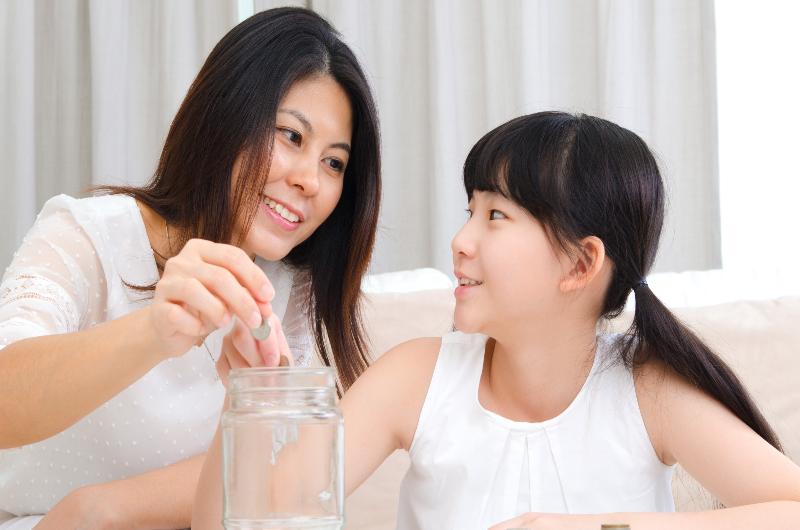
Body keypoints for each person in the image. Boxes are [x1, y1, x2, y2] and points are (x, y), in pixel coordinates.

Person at [194, 111, 800, 529]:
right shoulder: (417, 378)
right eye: (469, 210)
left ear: (581, 263)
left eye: (496, 217)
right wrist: (242, 403)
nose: (460, 240)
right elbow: (260, 521)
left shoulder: (648, 391)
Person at [0, 7, 380, 530]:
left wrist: (103, 508)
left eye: (333, 162)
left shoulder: (295, 294)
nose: (310, 181)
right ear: (226, 114)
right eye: (291, 136)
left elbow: (282, 479)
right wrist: (155, 330)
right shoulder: (88, 237)